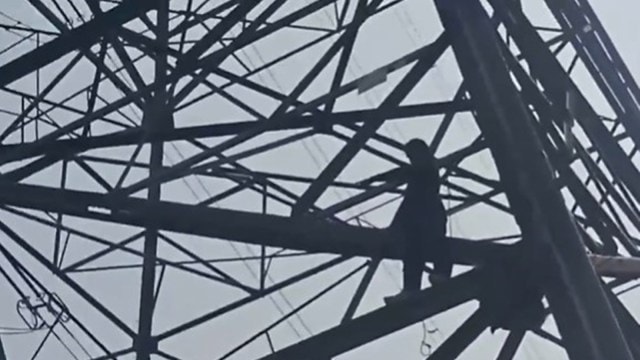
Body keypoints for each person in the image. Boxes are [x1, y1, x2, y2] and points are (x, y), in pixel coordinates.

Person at [358, 139, 451, 302]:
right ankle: (433, 278)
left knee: (419, 250)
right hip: (427, 214)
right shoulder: (426, 169)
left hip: (424, 213)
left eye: (411, 155)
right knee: (421, 249)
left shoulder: (424, 169)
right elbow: (407, 173)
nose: (411, 159)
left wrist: (375, 179)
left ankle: (422, 284)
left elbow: (406, 173)